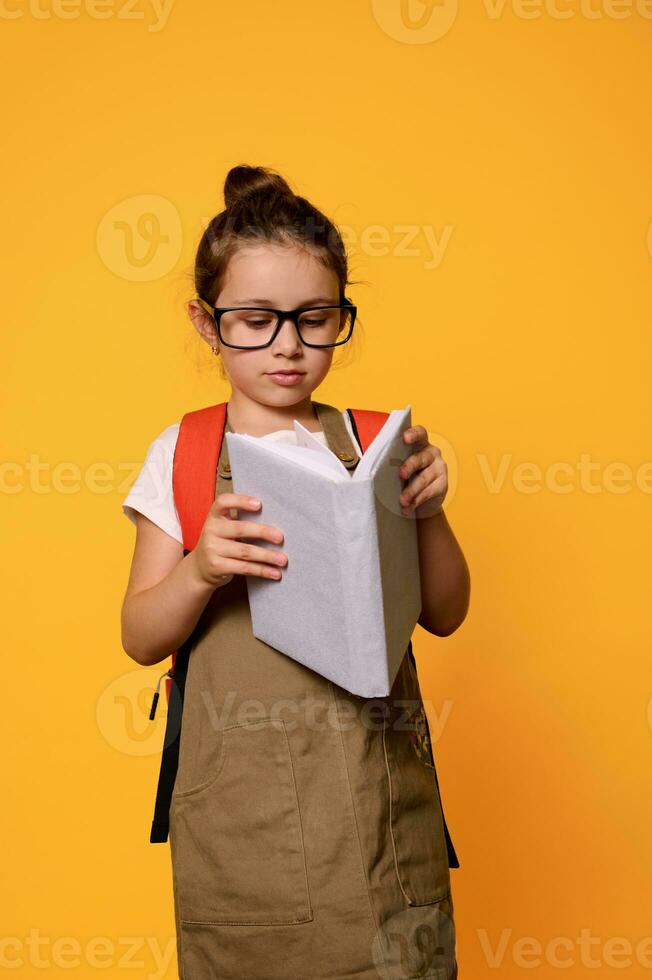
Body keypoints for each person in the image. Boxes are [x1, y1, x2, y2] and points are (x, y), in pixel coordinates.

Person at [120, 164, 471, 980]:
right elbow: (139, 635)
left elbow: (447, 613)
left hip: (380, 822)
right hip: (245, 835)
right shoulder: (183, 454)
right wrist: (200, 569)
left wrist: (431, 511)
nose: (288, 343)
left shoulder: (377, 443)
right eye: (255, 321)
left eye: (315, 319)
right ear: (208, 326)